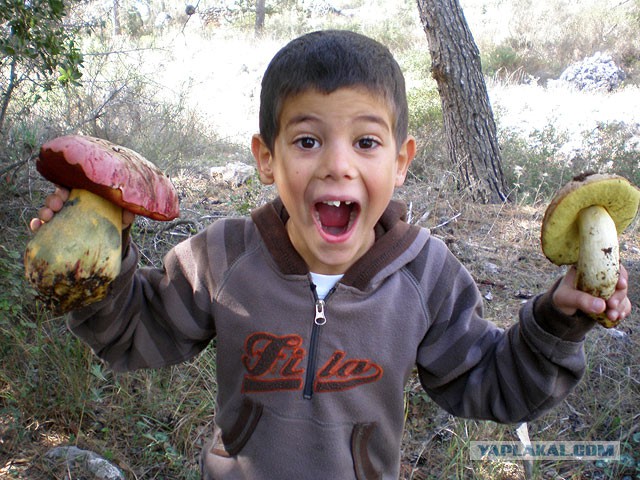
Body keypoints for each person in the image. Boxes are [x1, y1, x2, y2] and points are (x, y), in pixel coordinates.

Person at [30, 30, 630, 479]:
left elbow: (491, 382)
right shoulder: (224, 257)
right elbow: (142, 331)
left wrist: (558, 320)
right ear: (267, 158)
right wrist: (98, 278)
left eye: (366, 142)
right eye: (308, 140)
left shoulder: (425, 275)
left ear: (401, 160)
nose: (337, 163)